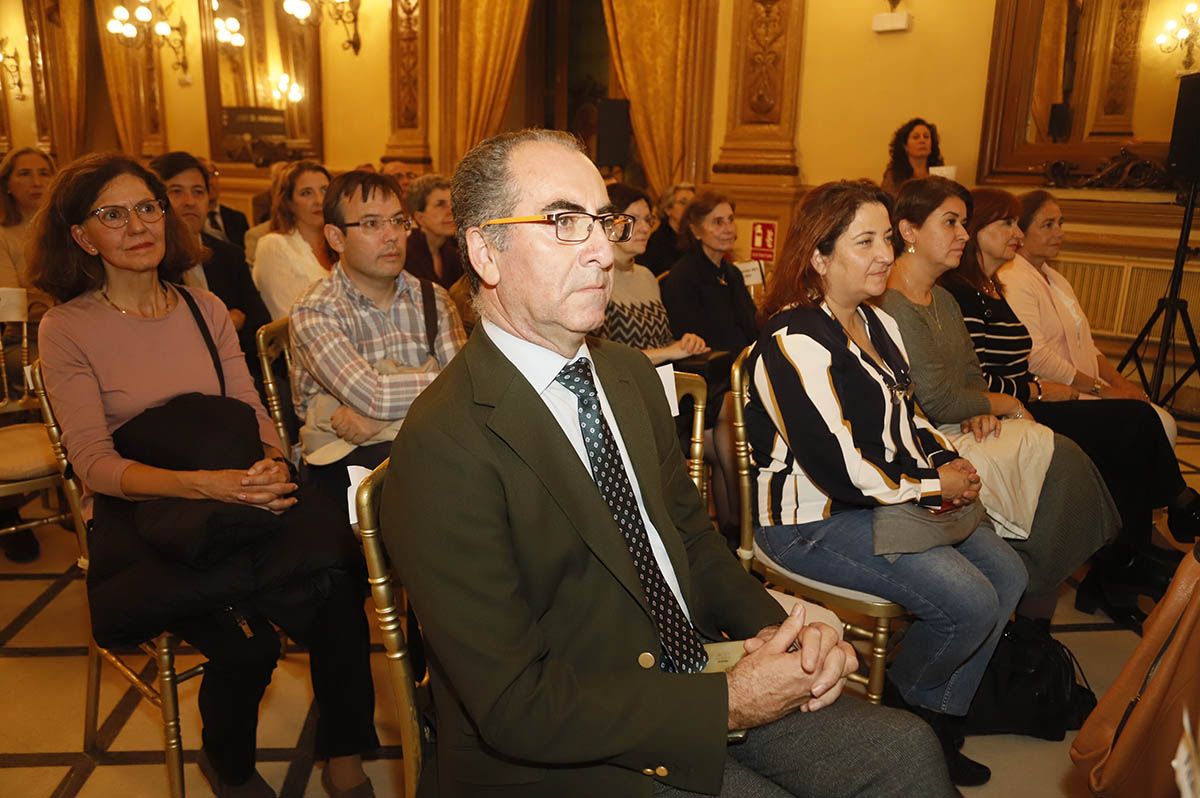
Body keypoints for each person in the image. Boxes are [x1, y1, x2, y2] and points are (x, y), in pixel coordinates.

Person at [381, 128, 954, 798]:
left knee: (905, 750)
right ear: (486, 251)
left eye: (604, 221)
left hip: (688, 664)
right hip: (562, 740)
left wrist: (782, 631)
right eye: (566, 222)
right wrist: (729, 703)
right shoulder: (445, 444)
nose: (603, 249)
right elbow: (514, 706)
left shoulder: (624, 377)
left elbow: (689, 539)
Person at [31, 153, 379, 798]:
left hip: (238, 487)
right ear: (81, 236)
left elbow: (251, 408)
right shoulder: (67, 328)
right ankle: (230, 764)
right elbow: (94, 464)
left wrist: (271, 464)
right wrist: (203, 485)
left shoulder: (204, 308)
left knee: (337, 591)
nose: (138, 225)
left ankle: (344, 752)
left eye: (147, 206)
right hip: (149, 512)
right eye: (112, 214)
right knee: (247, 646)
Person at [748, 179, 1024, 786]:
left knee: (1010, 575)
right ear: (819, 258)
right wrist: (933, 487)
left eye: (884, 240)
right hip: (808, 522)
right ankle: (914, 713)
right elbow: (838, 469)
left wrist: (950, 461)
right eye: (864, 241)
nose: (883, 255)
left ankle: (933, 713)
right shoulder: (793, 340)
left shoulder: (878, 323)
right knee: (970, 601)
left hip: (883, 500)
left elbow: (912, 417)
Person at [944, 187, 1197, 627]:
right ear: (977, 231)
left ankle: (1132, 554)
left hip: (1027, 397)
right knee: (1130, 424)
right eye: (1006, 223)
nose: (1016, 233)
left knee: (1127, 434)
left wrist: (1081, 385)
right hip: (1011, 407)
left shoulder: (991, 286)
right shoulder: (962, 293)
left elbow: (1038, 355)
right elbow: (974, 375)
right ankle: (1161, 524)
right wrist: (1038, 391)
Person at [882, 176, 1117, 625]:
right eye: (950, 223)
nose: (964, 235)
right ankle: (1024, 605)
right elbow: (935, 397)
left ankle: (1030, 609)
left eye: (965, 223)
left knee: (1055, 459)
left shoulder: (944, 299)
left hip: (959, 423)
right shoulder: (894, 302)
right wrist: (1001, 406)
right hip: (923, 439)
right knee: (1054, 460)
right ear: (909, 231)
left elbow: (969, 375)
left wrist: (978, 409)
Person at [291, 169, 465, 504]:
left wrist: (375, 420)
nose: (392, 237)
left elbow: (464, 392)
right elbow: (375, 396)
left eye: (398, 221)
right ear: (336, 237)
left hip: (426, 451)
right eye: (372, 224)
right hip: (344, 465)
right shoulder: (315, 310)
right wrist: (436, 384)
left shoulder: (433, 299)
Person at [1000, 190, 1179, 446]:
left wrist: (1122, 385)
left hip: (1086, 390)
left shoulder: (1055, 278)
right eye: (1048, 225)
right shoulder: (1013, 278)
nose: (1059, 232)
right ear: (1021, 233)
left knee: (1161, 421)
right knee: (1159, 423)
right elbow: (1035, 355)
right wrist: (1103, 390)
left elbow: (1087, 345)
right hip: (1056, 397)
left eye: (1060, 223)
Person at [150, 151, 270, 384]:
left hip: (239, 373)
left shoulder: (228, 255)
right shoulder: (152, 263)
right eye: (176, 192)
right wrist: (227, 320)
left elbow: (259, 325)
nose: (190, 202)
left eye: (198, 192)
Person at [0, 146, 56, 563]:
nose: (36, 181)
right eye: (25, 174)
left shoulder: (64, 225)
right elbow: (13, 300)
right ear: (7, 183)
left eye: (43, 172)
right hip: (18, 339)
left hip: (61, 327)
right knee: (43, 369)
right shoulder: (3, 234)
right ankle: (8, 511)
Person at [251, 160, 333, 319]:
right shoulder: (274, 246)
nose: (319, 200)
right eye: (306, 193)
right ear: (288, 203)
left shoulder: (341, 243)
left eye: (325, 190)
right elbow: (292, 320)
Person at [403, 173, 464, 289]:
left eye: (452, 203)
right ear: (419, 217)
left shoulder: (455, 254)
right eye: (440, 204)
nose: (450, 211)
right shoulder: (406, 255)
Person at [881, 117, 944, 196]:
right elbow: (889, 203)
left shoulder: (940, 172)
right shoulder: (894, 175)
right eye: (916, 137)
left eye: (926, 136)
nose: (922, 141)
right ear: (905, 146)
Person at [642, 181, 694, 275]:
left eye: (692, 203)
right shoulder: (656, 243)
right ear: (668, 209)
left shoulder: (696, 239)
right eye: (683, 203)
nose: (689, 208)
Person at [198, 157, 251, 250]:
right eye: (205, 176)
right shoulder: (191, 221)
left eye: (213, 175)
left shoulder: (238, 219)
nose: (210, 182)